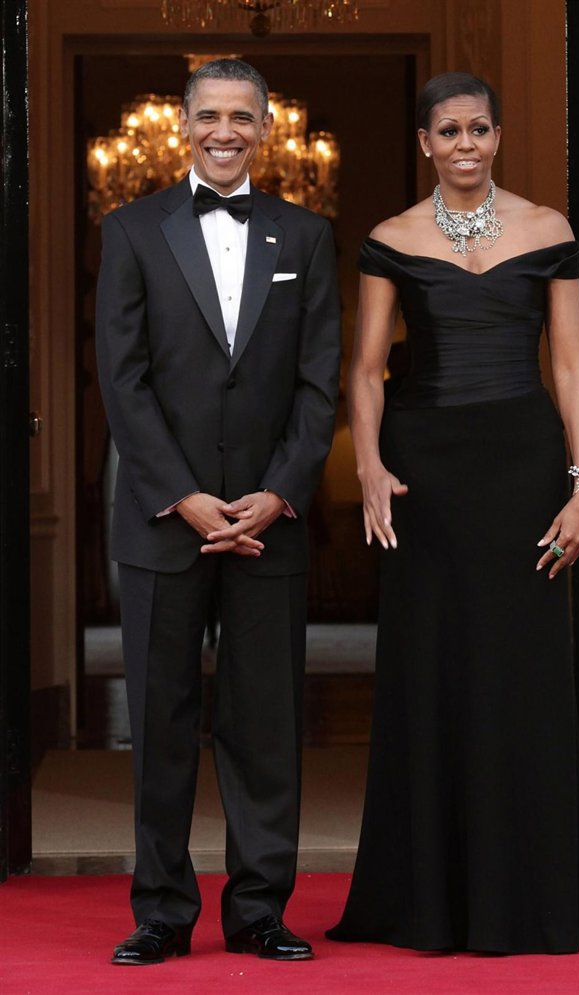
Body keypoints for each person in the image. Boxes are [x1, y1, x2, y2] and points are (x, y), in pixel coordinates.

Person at [327, 72, 579, 955]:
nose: (467, 144)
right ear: (425, 142)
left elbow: (571, 365)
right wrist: (370, 466)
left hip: (524, 467)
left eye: (480, 129)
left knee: (521, 670)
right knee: (432, 668)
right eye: (450, 131)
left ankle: (525, 897)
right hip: (425, 476)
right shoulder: (390, 238)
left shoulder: (549, 229)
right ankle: (430, 900)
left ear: (498, 136)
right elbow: (366, 369)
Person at [96, 58, 341, 965]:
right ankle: (162, 912)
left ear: (266, 128)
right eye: (210, 115)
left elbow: (320, 381)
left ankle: (259, 910)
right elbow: (121, 379)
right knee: (160, 726)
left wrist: (280, 492)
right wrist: (184, 494)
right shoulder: (132, 229)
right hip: (165, 521)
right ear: (184, 123)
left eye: (242, 116)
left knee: (265, 726)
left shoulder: (307, 235)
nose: (225, 131)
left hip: (269, 524)